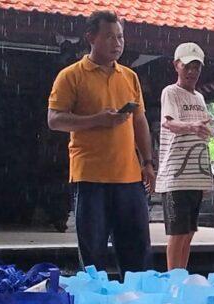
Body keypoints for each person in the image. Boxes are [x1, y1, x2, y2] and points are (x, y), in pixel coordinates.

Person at [48, 10, 156, 276]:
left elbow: (139, 121)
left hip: (129, 177)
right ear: (91, 38)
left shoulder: (130, 76)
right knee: (93, 254)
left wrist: (148, 162)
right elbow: (54, 120)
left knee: (138, 253)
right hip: (91, 177)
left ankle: (137, 298)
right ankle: (94, 300)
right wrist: (96, 120)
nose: (117, 43)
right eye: (109, 37)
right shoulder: (71, 75)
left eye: (120, 37)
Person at [157, 43, 213, 270]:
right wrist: (192, 127)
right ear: (176, 65)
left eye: (196, 67)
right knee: (177, 233)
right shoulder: (170, 92)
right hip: (176, 176)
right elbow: (168, 123)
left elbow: (204, 131)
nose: (192, 71)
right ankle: (173, 279)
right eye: (187, 66)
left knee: (189, 233)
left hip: (196, 177)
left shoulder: (200, 97)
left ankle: (182, 274)